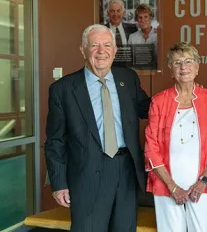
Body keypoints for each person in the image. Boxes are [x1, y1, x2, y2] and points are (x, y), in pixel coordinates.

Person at [44, 24, 150, 232]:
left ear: (115, 50)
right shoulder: (62, 89)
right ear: (83, 50)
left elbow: (149, 110)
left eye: (107, 45)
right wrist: (58, 183)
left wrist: (183, 93)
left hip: (126, 172)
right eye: (94, 45)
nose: (101, 51)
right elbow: (55, 141)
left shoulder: (128, 79)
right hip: (86, 176)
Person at [144, 42, 207, 232]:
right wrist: (172, 186)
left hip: (201, 182)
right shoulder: (159, 101)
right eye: (177, 62)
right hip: (167, 182)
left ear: (197, 67)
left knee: (202, 229)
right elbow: (151, 147)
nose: (183, 67)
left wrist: (203, 181)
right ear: (171, 70)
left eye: (188, 61)